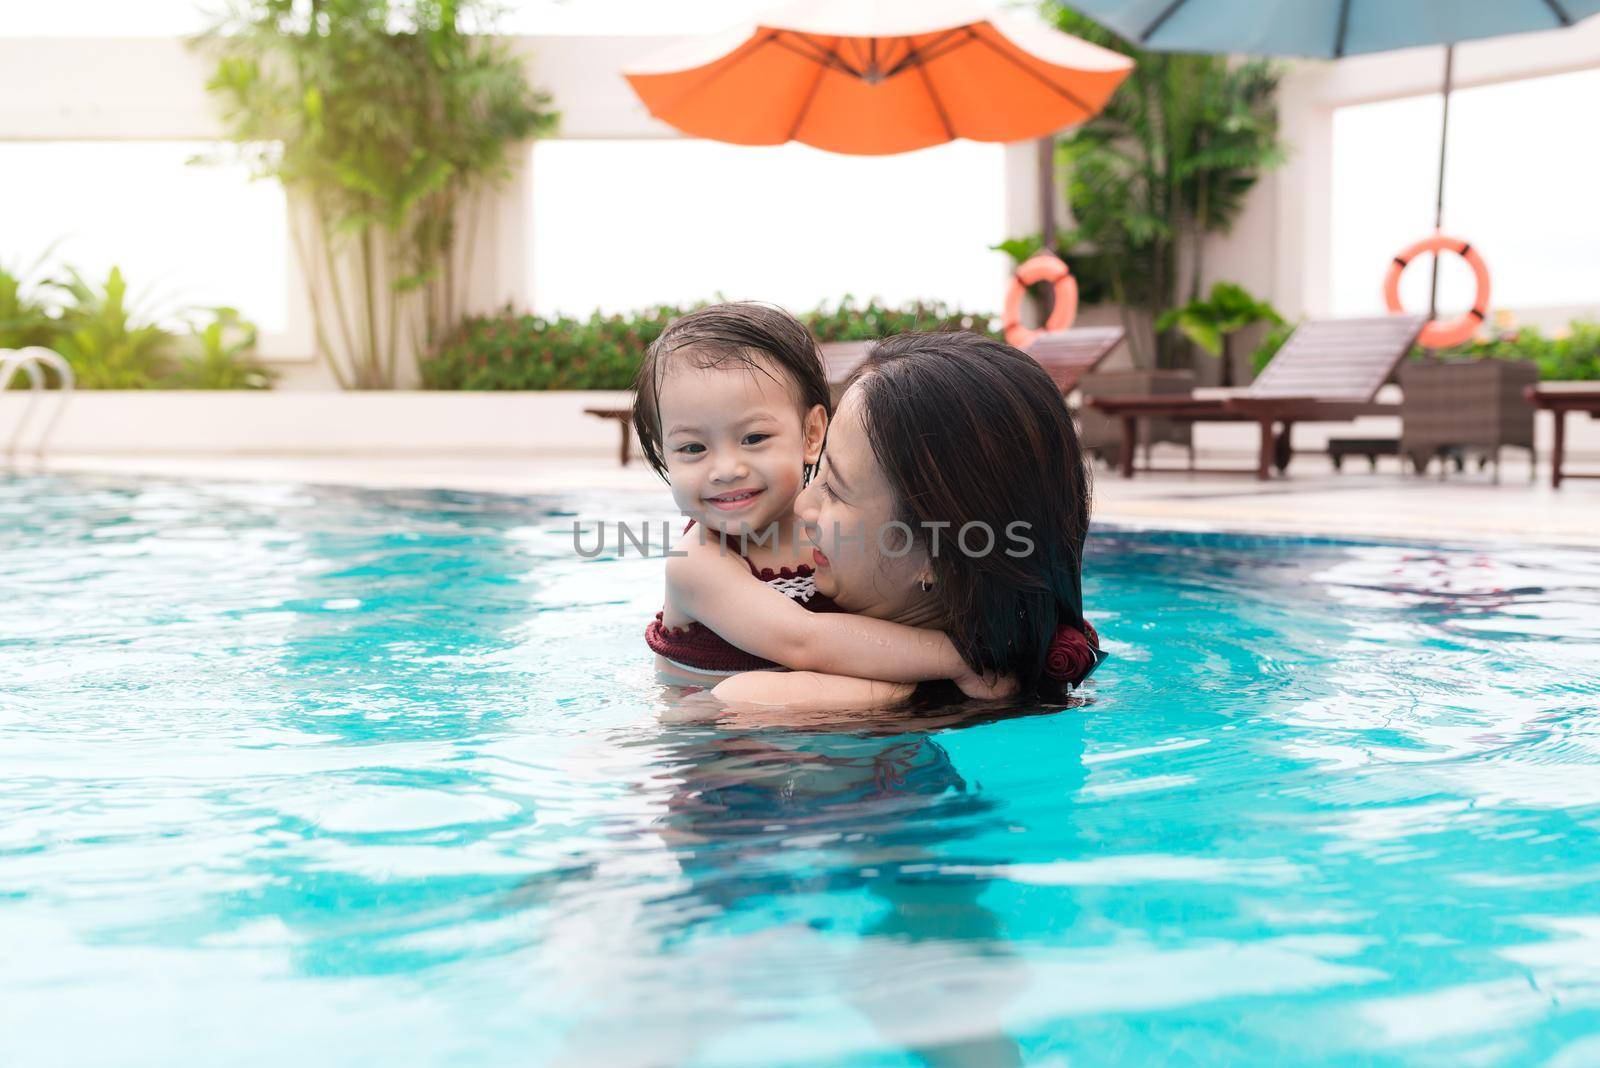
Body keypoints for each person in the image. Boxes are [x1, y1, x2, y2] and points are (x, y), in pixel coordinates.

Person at [712, 330, 1103, 711]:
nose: (801, 504)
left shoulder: (769, 698)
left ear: (936, 558)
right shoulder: (1020, 672)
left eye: (835, 489)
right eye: (820, 475)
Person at [630, 303, 1007, 698]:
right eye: (692, 448)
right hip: (715, 738)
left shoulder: (832, 530)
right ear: (664, 453)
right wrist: (958, 659)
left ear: (811, 434)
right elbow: (802, 640)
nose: (725, 469)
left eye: (754, 439)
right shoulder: (697, 563)